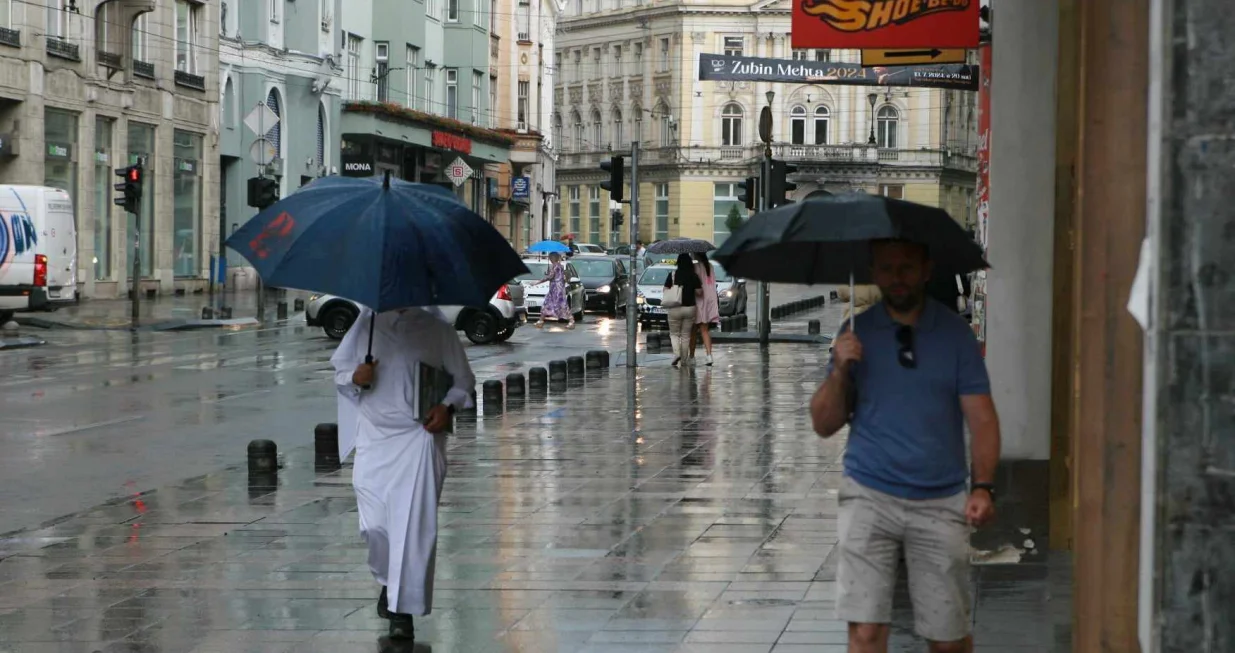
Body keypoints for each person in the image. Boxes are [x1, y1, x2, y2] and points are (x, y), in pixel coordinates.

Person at [809, 239, 1001, 653]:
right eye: (887, 268)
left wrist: (983, 486)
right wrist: (841, 370)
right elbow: (824, 424)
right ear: (874, 273)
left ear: (926, 270)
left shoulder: (954, 336)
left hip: (940, 498)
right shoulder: (856, 333)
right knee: (865, 632)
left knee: (947, 638)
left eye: (907, 268)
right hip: (868, 496)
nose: (897, 278)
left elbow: (982, 417)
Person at [331, 306, 476, 642]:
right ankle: (388, 581)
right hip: (374, 438)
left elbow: (464, 380)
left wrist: (447, 406)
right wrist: (356, 377)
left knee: (413, 529)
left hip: (419, 437)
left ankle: (402, 612)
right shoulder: (366, 325)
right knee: (375, 526)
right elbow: (340, 374)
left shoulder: (438, 329)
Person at [664, 253, 702, 368]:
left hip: (674, 308)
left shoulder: (673, 275)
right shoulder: (693, 276)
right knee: (686, 335)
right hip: (690, 308)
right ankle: (684, 360)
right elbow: (700, 292)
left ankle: (676, 354)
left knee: (674, 334)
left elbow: (665, 289)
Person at [688, 251, 720, 366]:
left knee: (693, 331)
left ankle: (691, 357)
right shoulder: (710, 266)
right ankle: (709, 356)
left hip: (698, 300)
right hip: (709, 300)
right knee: (705, 330)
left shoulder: (695, 266)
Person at [535, 252, 574, 329]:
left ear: (553, 258)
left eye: (550, 257)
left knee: (560, 305)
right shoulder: (560, 266)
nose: (549, 259)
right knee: (551, 304)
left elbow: (550, 277)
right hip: (558, 288)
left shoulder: (555, 266)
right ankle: (540, 321)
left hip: (556, 289)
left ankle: (571, 321)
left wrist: (538, 282)